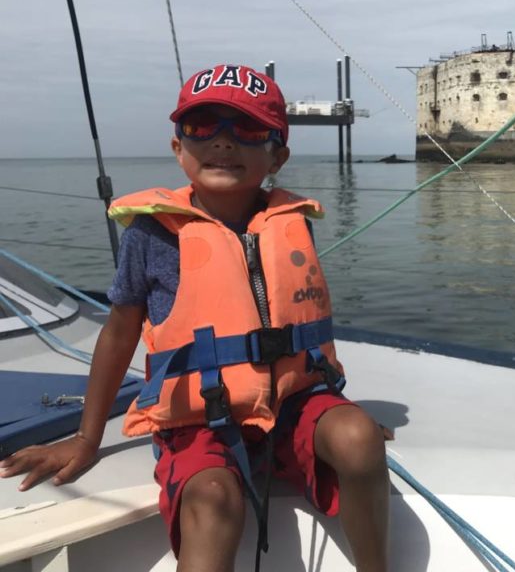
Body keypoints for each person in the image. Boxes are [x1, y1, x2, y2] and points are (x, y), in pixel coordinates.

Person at [0, 65, 390, 572]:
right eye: (203, 127)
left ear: (279, 155)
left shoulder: (291, 224)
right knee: (211, 496)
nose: (224, 143)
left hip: (294, 402)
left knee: (358, 439)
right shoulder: (150, 234)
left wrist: (339, 418)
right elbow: (119, 336)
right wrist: (86, 439)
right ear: (177, 148)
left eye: (248, 130)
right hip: (200, 414)